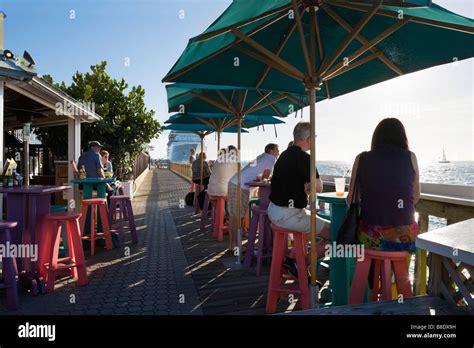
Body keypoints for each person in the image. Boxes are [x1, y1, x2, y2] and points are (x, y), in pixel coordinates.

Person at [267, 122, 330, 279]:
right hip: (290, 215)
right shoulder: (304, 158)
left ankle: (294, 261)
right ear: (309, 139)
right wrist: (309, 184)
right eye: (314, 138)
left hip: (275, 211)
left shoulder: (283, 156)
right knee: (337, 234)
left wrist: (306, 184)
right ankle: (300, 264)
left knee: (311, 227)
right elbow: (319, 187)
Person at [347, 118, 420, 253]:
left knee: (367, 240)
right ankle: (394, 273)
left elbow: (351, 199)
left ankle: (372, 273)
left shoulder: (361, 159)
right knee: (397, 256)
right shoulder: (411, 157)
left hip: (370, 237)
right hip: (405, 238)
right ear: (402, 138)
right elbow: (415, 197)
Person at [227, 143, 280, 252]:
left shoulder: (261, 157)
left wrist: (260, 179)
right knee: (237, 217)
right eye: (277, 150)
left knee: (235, 216)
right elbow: (265, 177)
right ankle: (235, 246)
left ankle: (233, 245)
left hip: (236, 184)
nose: (278, 153)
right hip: (239, 186)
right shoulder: (271, 159)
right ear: (271, 151)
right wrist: (266, 178)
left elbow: (258, 175)